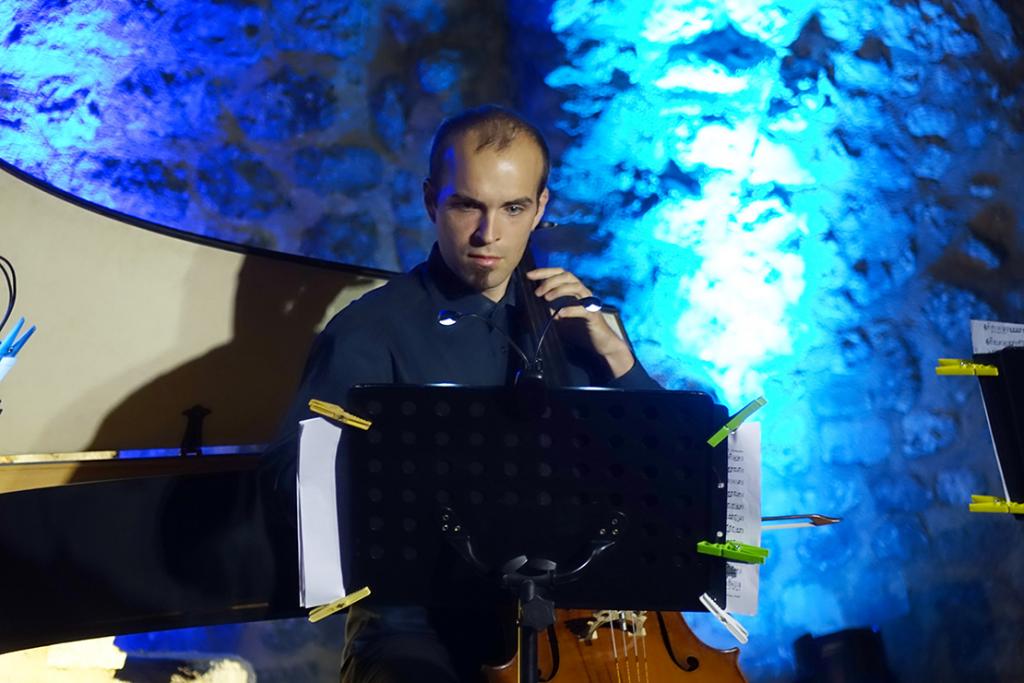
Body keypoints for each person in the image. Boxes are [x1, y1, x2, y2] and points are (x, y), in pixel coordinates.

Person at [262, 105, 659, 682]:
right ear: (432, 201)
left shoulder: (577, 324)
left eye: (513, 208)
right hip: (418, 627)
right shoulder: (370, 330)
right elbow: (292, 483)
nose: (487, 234)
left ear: (540, 208)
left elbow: (659, 473)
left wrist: (621, 362)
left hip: (569, 623)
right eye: (467, 205)